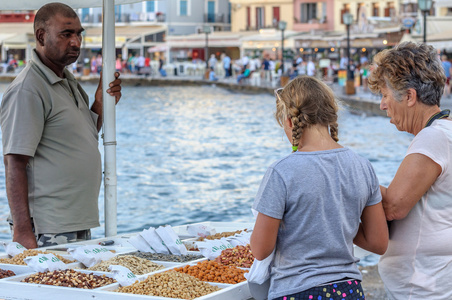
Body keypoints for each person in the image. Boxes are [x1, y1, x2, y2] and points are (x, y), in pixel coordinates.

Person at [250, 75, 388, 300]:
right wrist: (337, 222)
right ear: (330, 115)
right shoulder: (363, 166)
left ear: (289, 121)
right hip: (349, 290)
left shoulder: (282, 171)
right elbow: (378, 242)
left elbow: (260, 249)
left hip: (297, 291)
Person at [0, 2, 122, 249]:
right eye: (66, 34)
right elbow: (14, 162)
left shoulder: (67, 80)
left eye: (79, 34)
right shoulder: (29, 89)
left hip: (74, 221)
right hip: (48, 228)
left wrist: (100, 102)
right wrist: (23, 232)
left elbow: (82, 137)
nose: (76, 42)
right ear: (41, 36)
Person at [368, 42, 452, 299]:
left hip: (425, 288)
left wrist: (349, 176)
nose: (383, 105)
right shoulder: (444, 133)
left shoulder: (433, 138)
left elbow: (394, 207)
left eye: (385, 94)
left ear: (410, 96)